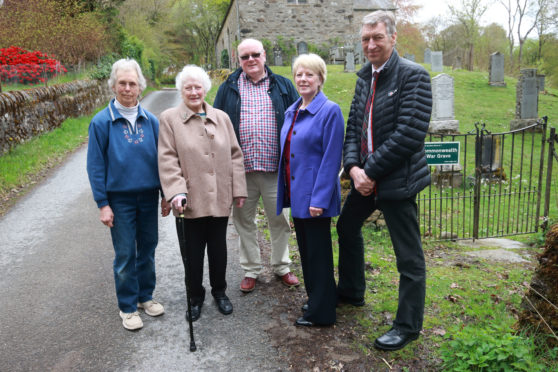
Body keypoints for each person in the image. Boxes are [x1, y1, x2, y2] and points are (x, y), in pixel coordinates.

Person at [336, 10, 432, 350]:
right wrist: (353, 169)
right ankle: (351, 291)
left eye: (377, 37)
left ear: (393, 38)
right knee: (346, 227)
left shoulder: (413, 76)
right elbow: (353, 129)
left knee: (408, 257)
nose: (371, 44)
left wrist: (371, 171)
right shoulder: (365, 78)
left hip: (397, 181)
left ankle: (407, 326)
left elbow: (410, 133)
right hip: (365, 178)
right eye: (365, 39)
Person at [158, 65, 247, 322]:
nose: (194, 92)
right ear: (181, 91)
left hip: (219, 196)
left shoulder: (222, 117)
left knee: (219, 250)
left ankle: (220, 292)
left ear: (205, 89)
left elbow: (235, 155)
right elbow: (167, 158)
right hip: (188, 201)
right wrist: (175, 192)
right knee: (193, 255)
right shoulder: (169, 119)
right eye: (188, 87)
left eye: (198, 87)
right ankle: (195, 297)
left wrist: (238, 189)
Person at [87, 58, 170, 331]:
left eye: (132, 83)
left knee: (147, 250)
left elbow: (163, 161)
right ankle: (128, 306)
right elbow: (96, 166)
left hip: (148, 197)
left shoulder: (152, 121)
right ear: (113, 86)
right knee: (125, 254)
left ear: (140, 88)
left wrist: (165, 195)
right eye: (121, 83)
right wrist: (103, 204)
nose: (126, 88)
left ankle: (145, 296)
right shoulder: (101, 122)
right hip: (119, 200)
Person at [214, 38, 301, 293]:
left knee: (280, 221)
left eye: (255, 54)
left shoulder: (283, 85)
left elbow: (299, 120)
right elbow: (217, 127)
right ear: (238, 60)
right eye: (245, 57)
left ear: (264, 55)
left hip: (275, 169)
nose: (250, 60)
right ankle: (251, 269)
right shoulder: (228, 87)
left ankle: (281, 265)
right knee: (244, 221)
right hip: (242, 172)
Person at [276, 54, 344, 327]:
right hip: (297, 194)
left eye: (310, 75)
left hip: (315, 198)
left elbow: (331, 159)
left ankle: (323, 312)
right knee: (306, 253)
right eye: (299, 75)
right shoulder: (293, 110)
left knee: (319, 256)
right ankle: (317, 299)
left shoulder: (330, 111)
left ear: (320, 78)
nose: (303, 79)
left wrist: (319, 199)